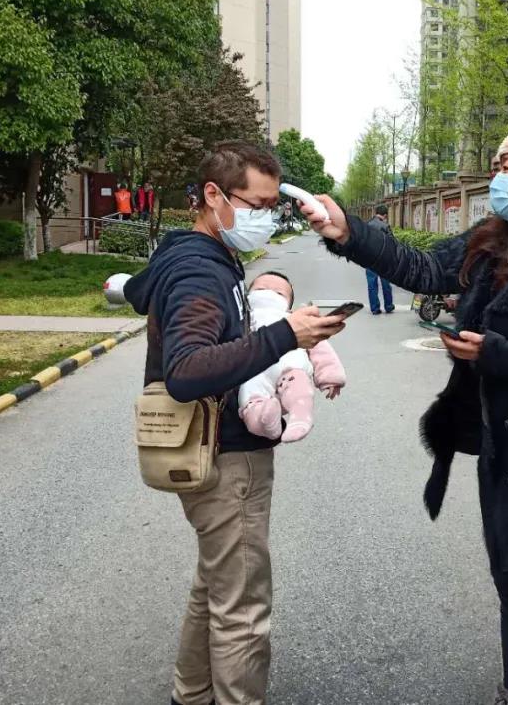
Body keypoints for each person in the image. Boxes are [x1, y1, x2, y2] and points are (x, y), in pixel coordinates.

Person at [303, 116, 508, 705]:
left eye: (507, 168)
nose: (496, 178)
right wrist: (349, 232)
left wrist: (500, 354)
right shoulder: (495, 240)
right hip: (503, 455)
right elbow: (424, 269)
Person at [123, 141, 345, 705]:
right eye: (258, 204)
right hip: (226, 457)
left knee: (216, 582)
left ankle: (192, 692)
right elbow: (186, 371)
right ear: (214, 195)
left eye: (273, 206)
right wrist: (285, 336)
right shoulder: (199, 271)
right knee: (242, 607)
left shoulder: (199, 257)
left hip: (213, 448)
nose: (266, 217)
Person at [238, 271, 346, 442]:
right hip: (253, 372)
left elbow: (320, 348)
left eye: (279, 293)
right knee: (250, 396)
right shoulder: (241, 318)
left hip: (288, 366)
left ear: (288, 306)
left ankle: (300, 418)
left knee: (298, 385)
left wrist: (330, 377)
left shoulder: (295, 319)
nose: (269, 293)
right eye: (261, 289)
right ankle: (264, 420)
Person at [365, 204, 395, 315]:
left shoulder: (367, 225)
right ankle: (388, 306)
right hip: (383, 259)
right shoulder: (385, 226)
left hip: (369, 258)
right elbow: (392, 243)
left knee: (372, 284)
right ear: (385, 215)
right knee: (386, 283)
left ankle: (375, 308)